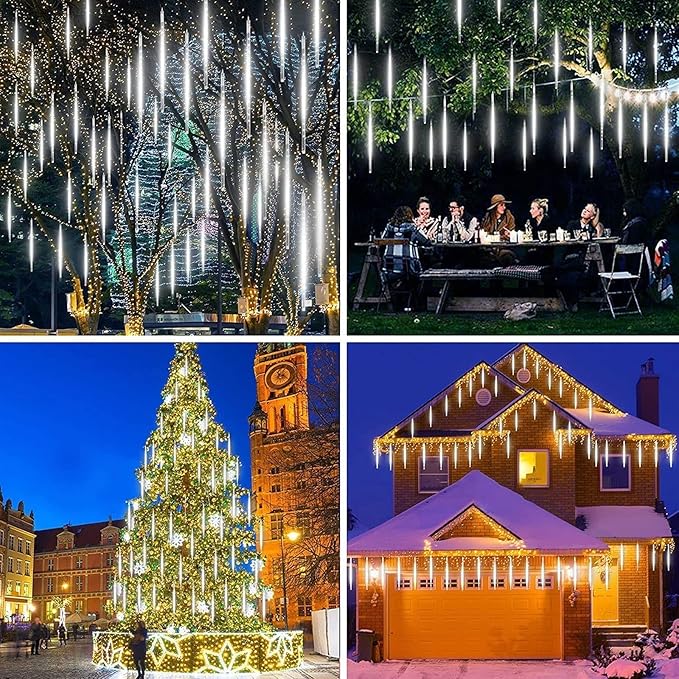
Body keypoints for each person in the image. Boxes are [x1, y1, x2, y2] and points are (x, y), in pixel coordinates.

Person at [381, 206, 430, 310]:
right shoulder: (412, 228)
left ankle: (397, 300)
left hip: (389, 270)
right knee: (424, 269)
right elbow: (426, 241)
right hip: (408, 270)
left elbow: (382, 240)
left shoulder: (389, 227)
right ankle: (417, 304)